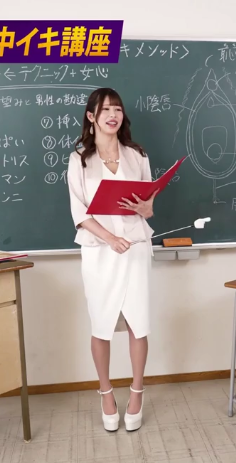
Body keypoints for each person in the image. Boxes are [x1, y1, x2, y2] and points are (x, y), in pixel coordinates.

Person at [67, 87, 157, 433]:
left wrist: (145, 208)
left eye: (117, 108)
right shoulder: (79, 159)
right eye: (105, 109)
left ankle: (137, 392)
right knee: (101, 323)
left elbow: (149, 205)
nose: (112, 115)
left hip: (135, 246)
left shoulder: (137, 155)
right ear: (91, 116)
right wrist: (109, 238)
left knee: (138, 322)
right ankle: (106, 393)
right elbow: (79, 213)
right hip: (99, 251)